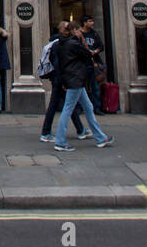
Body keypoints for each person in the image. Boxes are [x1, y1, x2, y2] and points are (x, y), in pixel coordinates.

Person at [53, 21, 114, 151]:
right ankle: (60, 141)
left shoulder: (61, 44)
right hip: (76, 79)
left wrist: (64, 81)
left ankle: (100, 138)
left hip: (72, 79)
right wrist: (81, 40)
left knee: (88, 107)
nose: (81, 32)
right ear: (74, 31)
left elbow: (61, 64)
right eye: (79, 30)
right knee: (67, 109)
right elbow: (88, 55)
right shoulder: (74, 44)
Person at [40, 20, 87, 141]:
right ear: (62, 30)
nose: (70, 30)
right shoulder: (59, 44)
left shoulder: (60, 43)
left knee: (67, 105)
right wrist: (62, 80)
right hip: (61, 79)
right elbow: (58, 63)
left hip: (61, 78)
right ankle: (47, 133)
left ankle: (80, 130)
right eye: (68, 28)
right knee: (64, 106)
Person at [81, 15, 105, 112]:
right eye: (90, 21)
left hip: (93, 63)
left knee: (95, 85)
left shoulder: (94, 34)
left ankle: (97, 107)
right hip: (82, 63)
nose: (92, 23)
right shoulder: (80, 34)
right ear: (85, 23)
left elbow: (101, 46)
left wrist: (95, 51)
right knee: (81, 86)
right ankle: (81, 107)